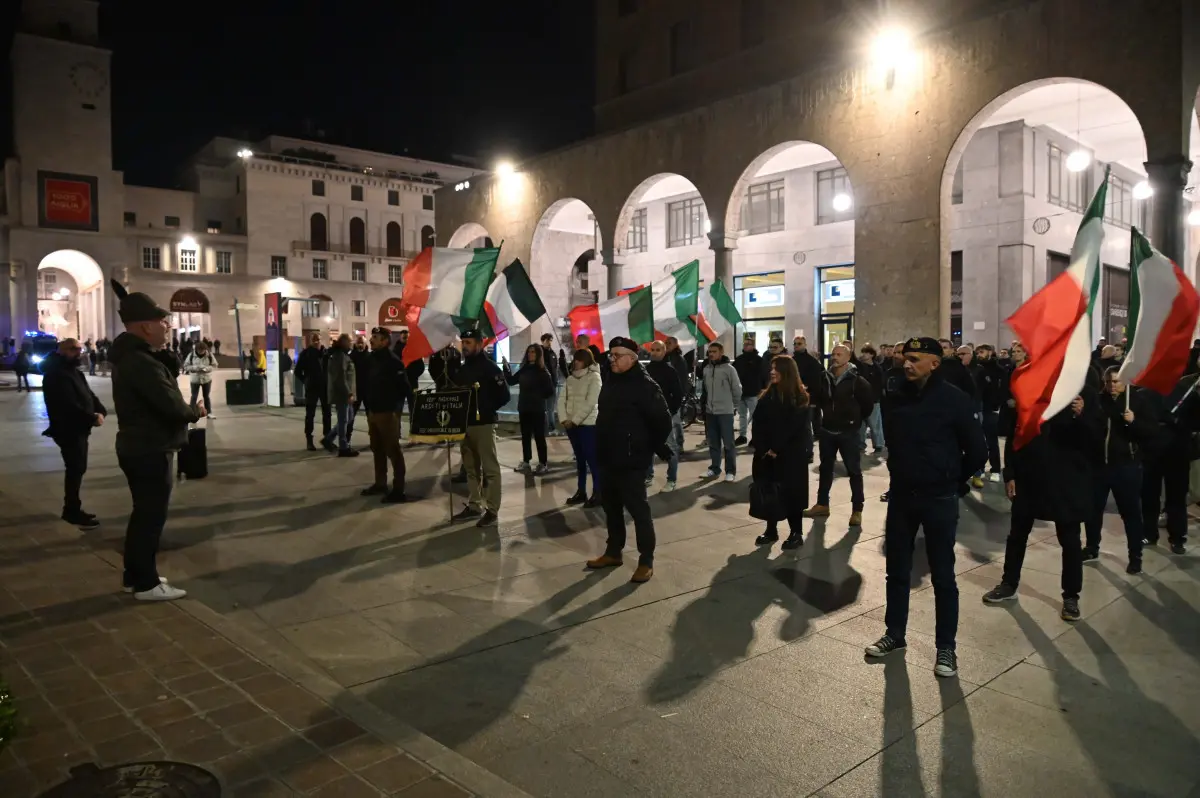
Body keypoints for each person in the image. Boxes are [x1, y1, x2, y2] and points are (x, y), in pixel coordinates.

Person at [866, 337, 986, 678]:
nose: (907, 363)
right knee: (897, 571)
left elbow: (978, 450)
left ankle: (946, 648)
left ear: (935, 363)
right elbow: (893, 440)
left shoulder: (954, 399)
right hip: (903, 496)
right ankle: (895, 634)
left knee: (944, 576)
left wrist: (954, 482)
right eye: (906, 357)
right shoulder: (895, 395)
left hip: (939, 498)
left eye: (915, 359)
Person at [109, 291, 205, 601]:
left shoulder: (134, 357)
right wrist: (196, 412)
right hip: (149, 446)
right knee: (150, 517)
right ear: (145, 327)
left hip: (139, 444)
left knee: (143, 515)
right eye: (162, 321)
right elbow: (171, 405)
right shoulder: (140, 362)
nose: (167, 326)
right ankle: (146, 584)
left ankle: (135, 574)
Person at [983, 389, 1096, 621]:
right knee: (1017, 535)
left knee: (1070, 540)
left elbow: (1095, 440)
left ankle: (1071, 596)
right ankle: (1009, 584)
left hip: (1066, 482)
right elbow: (1014, 437)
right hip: (1029, 479)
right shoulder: (1031, 396)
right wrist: (1010, 474)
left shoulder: (1079, 396)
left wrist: (1083, 415)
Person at [585, 337, 672, 583]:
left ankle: (646, 560)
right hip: (607, 456)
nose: (612, 359)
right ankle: (613, 552)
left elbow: (662, 421)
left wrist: (647, 447)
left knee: (638, 511)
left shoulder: (645, 385)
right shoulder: (611, 381)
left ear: (632, 358)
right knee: (611, 509)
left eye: (617, 355)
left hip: (632, 460)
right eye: (611, 355)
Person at [1080, 368, 1152, 571]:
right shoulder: (1097, 400)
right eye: (1109, 381)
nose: (1112, 385)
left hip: (1125, 467)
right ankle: (1092, 547)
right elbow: (1089, 429)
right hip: (1098, 466)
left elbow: (1150, 431)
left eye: (1117, 381)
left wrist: (1134, 422)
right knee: (1093, 511)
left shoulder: (1136, 400)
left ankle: (1135, 556)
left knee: (1130, 514)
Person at [41, 338, 107, 529]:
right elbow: (67, 405)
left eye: (79, 349)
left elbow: (88, 394)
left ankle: (72, 507)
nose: (78, 352)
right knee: (75, 467)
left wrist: (100, 409)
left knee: (77, 467)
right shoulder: (55, 374)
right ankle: (71, 510)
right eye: (72, 349)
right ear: (61, 351)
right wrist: (91, 418)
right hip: (67, 429)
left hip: (78, 428)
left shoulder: (74, 372)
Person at [807, 343, 874, 526]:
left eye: (838, 354)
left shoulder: (857, 381)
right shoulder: (824, 377)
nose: (834, 357)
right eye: (833, 354)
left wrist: (854, 420)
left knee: (853, 471)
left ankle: (857, 510)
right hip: (828, 431)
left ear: (848, 357)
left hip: (849, 432)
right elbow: (818, 400)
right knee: (825, 469)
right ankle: (822, 504)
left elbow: (867, 406)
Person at [449, 329, 511, 526]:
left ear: (478, 344)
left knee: (490, 468)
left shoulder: (491, 368)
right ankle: (475, 504)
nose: (464, 346)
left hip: (483, 424)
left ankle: (492, 509)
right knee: (471, 468)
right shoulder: (462, 369)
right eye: (463, 342)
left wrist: (485, 408)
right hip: (465, 424)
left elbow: (504, 396)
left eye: (468, 342)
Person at [751, 355, 813, 550]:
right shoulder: (767, 396)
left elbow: (794, 429)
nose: (772, 372)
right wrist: (763, 449)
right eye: (771, 368)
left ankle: (796, 532)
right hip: (766, 456)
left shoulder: (799, 397)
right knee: (770, 493)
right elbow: (757, 425)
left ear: (787, 372)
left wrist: (776, 448)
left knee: (792, 494)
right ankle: (771, 530)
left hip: (790, 457)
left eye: (776, 368)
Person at [1141, 369, 1200, 555]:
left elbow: (1197, 422)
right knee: (1149, 495)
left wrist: (1179, 421)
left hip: (1177, 451)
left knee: (1176, 497)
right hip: (1151, 451)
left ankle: (1177, 538)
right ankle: (1149, 533)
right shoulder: (1144, 393)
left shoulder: (1188, 392)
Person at [361, 327, 410, 503]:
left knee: (393, 450)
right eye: (372, 337)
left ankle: (399, 489)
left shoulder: (393, 361)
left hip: (388, 413)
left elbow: (404, 388)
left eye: (376, 337)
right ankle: (380, 483)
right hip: (373, 412)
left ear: (385, 341)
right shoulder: (370, 359)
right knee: (377, 449)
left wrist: (395, 409)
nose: (371, 340)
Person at [559, 348, 603, 506]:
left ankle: (598, 492)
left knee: (592, 460)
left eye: (579, 359)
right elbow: (562, 398)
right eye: (575, 359)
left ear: (586, 361)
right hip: (572, 426)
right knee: (580, 460)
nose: (576, 362)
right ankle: (581, 491)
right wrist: (564, 419)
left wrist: (576, 420)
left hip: (588, 425)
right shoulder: (570, 379)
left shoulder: (594, 378)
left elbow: (591, 402)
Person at [504, 344, 554, 475]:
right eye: (529, 352)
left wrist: (537, 396)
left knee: (539, 437)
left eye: (533, 352)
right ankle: (526, 461)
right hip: (524, 408)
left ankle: (543, 463)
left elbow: (550, 391)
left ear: (538, 354)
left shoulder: (542, 371)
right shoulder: (524, 369)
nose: (530, 354)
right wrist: (506, 368)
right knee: (525, 436)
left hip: (537, 409)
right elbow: (511, 381)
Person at [699, 342, 742, 481]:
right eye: (709, 351)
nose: (711, 354)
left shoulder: (729, 369)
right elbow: (705, 390)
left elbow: (737, 389)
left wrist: (733, 405)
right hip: (710, 412)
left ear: (721, 353)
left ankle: (730, 471)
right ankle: (714, 468)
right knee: (713, 443)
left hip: (725, 412)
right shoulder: (706, 369)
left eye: (714, 351)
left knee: (728, 443)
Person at [645, 340, 683, 490]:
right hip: (649, 416)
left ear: (664, 351)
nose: (654, 352)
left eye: (658, 350)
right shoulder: (646, 369)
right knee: (647, 447)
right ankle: (648, 475)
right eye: (652, 350)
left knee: (670, 448)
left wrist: (671, 412)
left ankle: (671, 479)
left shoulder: (670, 370)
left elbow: (678, 394)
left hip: (666, 417)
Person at [295, 333, 333, 451]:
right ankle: (309, 440)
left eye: (318, 339)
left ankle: (327, 439)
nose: (316, 342)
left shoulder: (326, 353)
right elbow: (297, 371)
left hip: (325, 388)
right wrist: (306, 381)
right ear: (310, 341)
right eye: (314, 340)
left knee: (327, 414)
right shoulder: (305, 354)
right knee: (310, 414)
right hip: (312, 388)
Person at [974, 344, 1004, 481]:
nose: (979, 354)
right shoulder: (975, 369)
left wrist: (996, 404)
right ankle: (978, 470)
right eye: (978, 352)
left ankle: (996, 469)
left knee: (992, 442)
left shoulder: (998, 370)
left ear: (990, 352)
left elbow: (1001, 389)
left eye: (982, 352)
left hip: (990, 410)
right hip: (977, 409)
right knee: (978, 442)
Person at [326, 334, 358, 457]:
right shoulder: (340, 356)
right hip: (342, 394)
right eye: (349, 341)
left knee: (348, 418)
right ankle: (343, 447)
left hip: (345, 393)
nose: (351, 343)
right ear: (344, 342)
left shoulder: (343, 355)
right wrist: (348, 393)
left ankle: (329, 438)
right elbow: (340, 377)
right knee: (343, 420)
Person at [733, 338, 764, 446]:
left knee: (754, 416)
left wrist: (762, 389)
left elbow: (763, 375)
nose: (746, 346)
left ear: (753, 346)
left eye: (749, 344)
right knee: (742, 415)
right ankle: (742, 436)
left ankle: (755, 437)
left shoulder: (759, 360)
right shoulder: (739, 359)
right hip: (741, 392)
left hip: (754, 392)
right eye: (745, 344)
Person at [856, 344, 886, 454]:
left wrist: (876, 398)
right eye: (863, 352)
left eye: (866, 353)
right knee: (861, 425)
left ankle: (878, 444)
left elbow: (879, 384)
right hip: (861, 400)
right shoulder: (860, 367)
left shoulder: (877, 368)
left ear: (871, 355)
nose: (863, 355)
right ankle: (860, 444)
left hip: (873, 400)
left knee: (875, 424)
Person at [392, 328, 427, 419]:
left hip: (412, 383)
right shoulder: (395, 351)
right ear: (400, 338)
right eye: (404, 337)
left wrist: (411, 375)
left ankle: (413, 429)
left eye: (407, 337)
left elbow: (421, 367)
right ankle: (396, 432)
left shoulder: (414, 350)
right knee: (398, 409)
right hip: (399, 385)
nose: (406, 339)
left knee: (413, 408)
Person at [183, 341, 218, 419]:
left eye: (203, 350)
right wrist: (194, 368)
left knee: (206, 396)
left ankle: (209, 412)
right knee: (194, 396)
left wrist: (206, 368)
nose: (201, 352)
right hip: (195, 379)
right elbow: (186, 366)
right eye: (199, 350)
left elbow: (214, 365)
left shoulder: (209, 355)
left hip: (206, 379)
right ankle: (191, 413)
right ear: (196, 350)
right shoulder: (191, 355)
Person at [347, 335, 371, 446]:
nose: (360, 345)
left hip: (368, 391)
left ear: (366, 344)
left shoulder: (370, 356)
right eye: (358, 343)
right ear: (355, 344)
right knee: (351, 416)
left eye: (362, 342)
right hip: (355, 391)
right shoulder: (351, 357)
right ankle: (347, 439)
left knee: (371, 417)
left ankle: (373, 439)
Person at [540, 333, 561, 435]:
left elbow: (555, 368)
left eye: (551, 340)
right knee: (541, 408)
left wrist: (555, 381)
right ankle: (543, 429)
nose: (550, 342)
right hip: (542, 385)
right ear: (543, 341)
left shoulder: (552, 354)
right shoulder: (539, 353)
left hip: (552, 385)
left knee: (550, 409)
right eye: (548, 340)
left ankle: (551, 428)